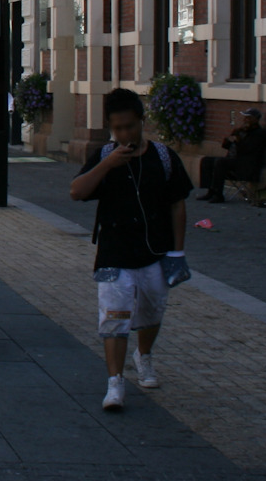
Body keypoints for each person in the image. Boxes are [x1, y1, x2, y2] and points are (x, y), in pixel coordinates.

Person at [70, 87, 193, 412]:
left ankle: (144, 355)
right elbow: (76, 191)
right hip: (114, 252)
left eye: (130, 126)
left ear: (141, 121)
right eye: (118, 128)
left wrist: (177, 252)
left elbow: (177, 205)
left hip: (155, 251)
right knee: (114, 317)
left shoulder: (163, 157)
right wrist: (107, 164)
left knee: (152, 310)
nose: (125, 134)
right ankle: (115, 383)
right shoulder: (104, 155)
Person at [199, 108, 266, 202]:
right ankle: (210, 191)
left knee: (221, 162)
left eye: (248, 118)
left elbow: (245, 150)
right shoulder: (244, 131)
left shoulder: (259, 134)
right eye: (245, 118)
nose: (245, 120)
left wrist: (238, 138)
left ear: (255, 120)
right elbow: (233, 147)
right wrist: (228, 142)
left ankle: (218, 194)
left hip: (246, 166)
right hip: (235, 161)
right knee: (206, 160)